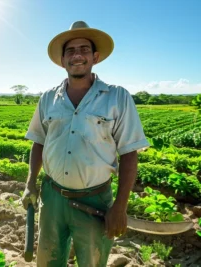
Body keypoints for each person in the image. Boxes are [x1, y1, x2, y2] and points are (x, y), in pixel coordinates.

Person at [22, 21, 150, 266]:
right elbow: (38, 141)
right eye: (70, 50)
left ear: (95, 57)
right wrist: (30, 184)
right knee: (48, 260)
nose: (77, 55)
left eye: (84, 49)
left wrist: (120, 207)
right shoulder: (48, 98)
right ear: (62, 60)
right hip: (52, 198)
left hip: (95, 199)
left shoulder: (117, 97)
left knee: (92, 262)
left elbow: (130, 153)